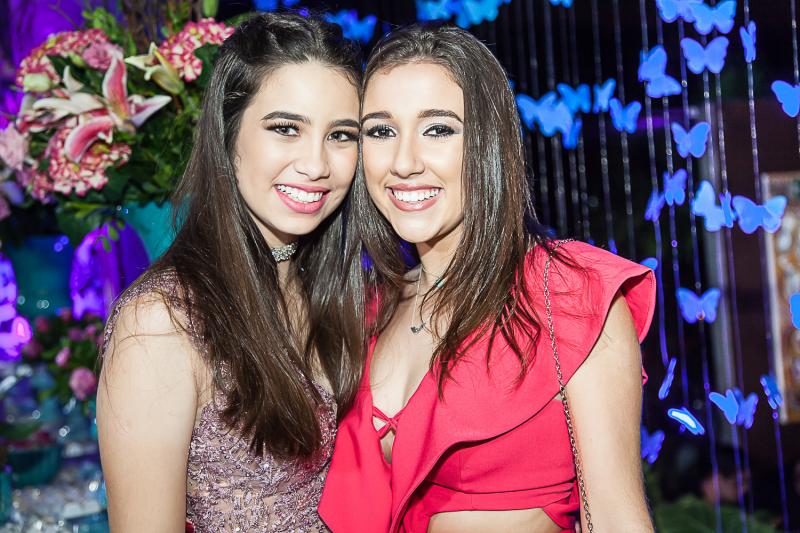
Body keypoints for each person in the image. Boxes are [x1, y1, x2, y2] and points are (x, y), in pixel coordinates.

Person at [320, 24, 656, 533]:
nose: (404, 163)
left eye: (438, 129)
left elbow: (614, 518)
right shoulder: (368, 310)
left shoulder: (568, 291)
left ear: (488, 143)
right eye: (381, 131)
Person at [97, 13, 363, 532]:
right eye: (285, 128)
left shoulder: (331, 287)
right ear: (227, 132)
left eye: (340, 135)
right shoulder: (162, 323)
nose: (316, 165)